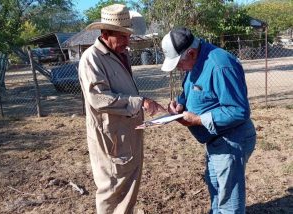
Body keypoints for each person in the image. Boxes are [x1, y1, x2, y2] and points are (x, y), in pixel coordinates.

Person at [78, 4, 165, 214]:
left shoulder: (120, 54)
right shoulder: (92, 59)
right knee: (112, 188)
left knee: (129, 186)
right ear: (105, 33)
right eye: (122, 37)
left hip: (127, 133)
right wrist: (140, 101)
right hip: (111, 137)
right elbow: (98, 99)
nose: (127, 42)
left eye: (128, 36)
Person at [161, 27, 256, 213]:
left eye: (179, 63)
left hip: (231, 141)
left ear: (191, 52)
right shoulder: (195, 61)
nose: (179, 68)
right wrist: (180, 105)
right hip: (215, 141)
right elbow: (192, 90)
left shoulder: (220, 64)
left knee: (229, 200)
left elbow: (239, 110)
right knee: (215, 187)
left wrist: (198, 119)